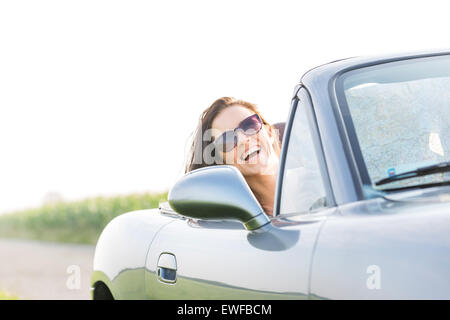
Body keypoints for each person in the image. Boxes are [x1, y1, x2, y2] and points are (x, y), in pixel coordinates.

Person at [185, 97, 281, 216]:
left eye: (250, 125)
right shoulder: (235, 223)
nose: (242, 140)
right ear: (221, 161)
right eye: (227, 140)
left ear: (270, 132)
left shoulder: (310, 177)